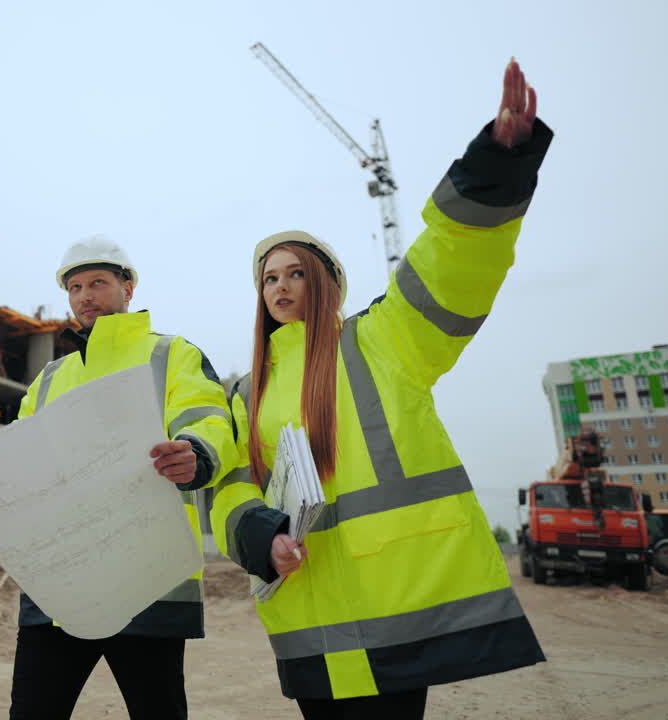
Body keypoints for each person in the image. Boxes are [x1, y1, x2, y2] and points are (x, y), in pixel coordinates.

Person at [209, 58, 551, 720]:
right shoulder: (246, 391)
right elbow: (230, 487)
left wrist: (494, 168)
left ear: (324, 282)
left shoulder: (381, 340)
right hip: (307, 618)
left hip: (396, 609)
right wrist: (258, 536)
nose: (279, 286)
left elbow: (449, 266)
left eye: (295, 273)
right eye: (268, 278)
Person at [8, 235, 238, 720]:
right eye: (74, 286)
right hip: (60, 584)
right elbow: (18, 454)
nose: (84, 295)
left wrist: (196, 452)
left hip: (146, 578)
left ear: (128, 288)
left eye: (97, 282)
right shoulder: (50, 378)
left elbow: (210, 420)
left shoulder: (171, 355)